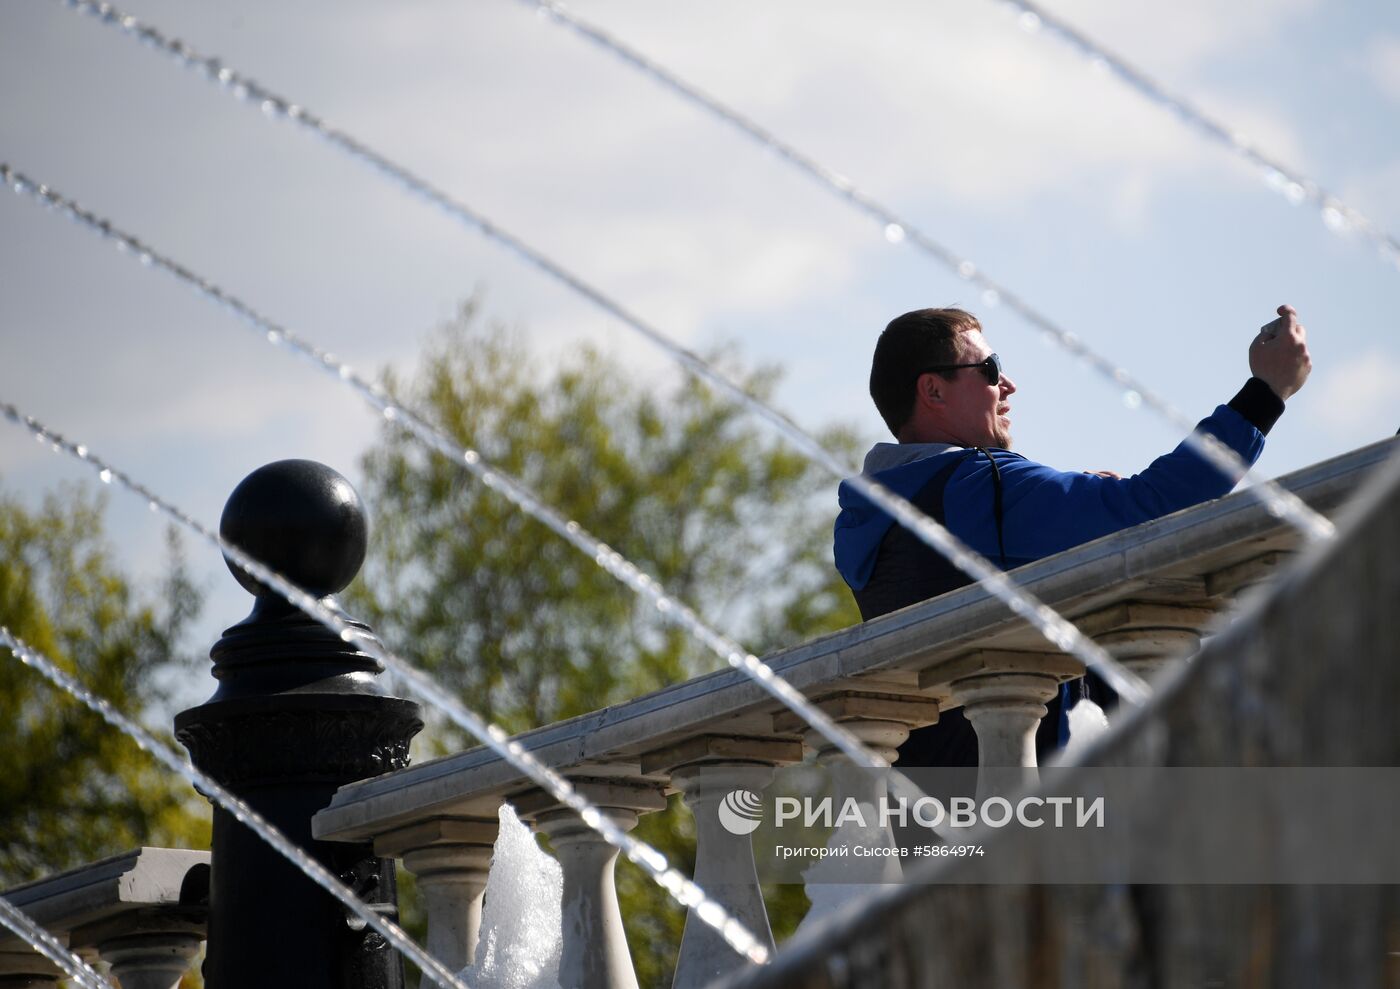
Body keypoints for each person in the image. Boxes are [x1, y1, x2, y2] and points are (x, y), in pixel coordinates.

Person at [832, 305, 1311, 767]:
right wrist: (1266, 393)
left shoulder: (876, 514)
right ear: (934, 391)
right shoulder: (980, 485)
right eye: (989, 368)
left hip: (926, 811)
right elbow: (1152, 506)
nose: (1008, 385)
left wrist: (1070, 516)